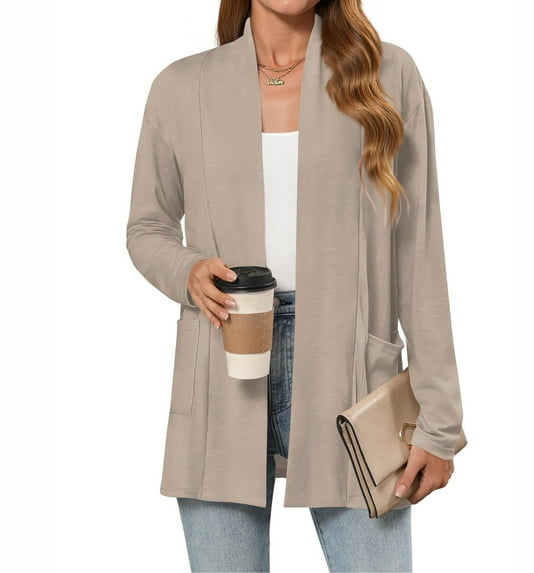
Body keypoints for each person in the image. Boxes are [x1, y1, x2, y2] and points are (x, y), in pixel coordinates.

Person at [126, 1, 465, 571]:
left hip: (353, 378)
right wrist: (186, 270)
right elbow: (147, 227)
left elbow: (419, 252)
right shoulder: (182, 87)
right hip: (222, 365)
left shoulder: (386, 75)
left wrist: (441, 421)